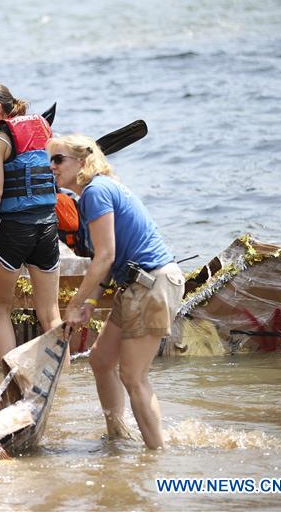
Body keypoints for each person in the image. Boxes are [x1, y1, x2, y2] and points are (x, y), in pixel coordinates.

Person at [47, 134, 183, 449]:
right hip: (136, 284)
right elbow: (109, 260)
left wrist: (74, 304)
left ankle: (156, 454)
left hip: (151, 284)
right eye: (49, 161)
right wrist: (91, 303)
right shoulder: (96, 191)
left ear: (82, 161)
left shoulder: (95, 191)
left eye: (58, 160)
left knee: (134, 378)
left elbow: (104, 256)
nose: (51, 167)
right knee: (101, 360)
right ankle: (118, 436)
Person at [0, 82, 61, 365]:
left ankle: (10, 382)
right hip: (47, 227)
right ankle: (65, 382)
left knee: (0, 309)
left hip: (13, 231)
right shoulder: (43, 128)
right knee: (51, 313)